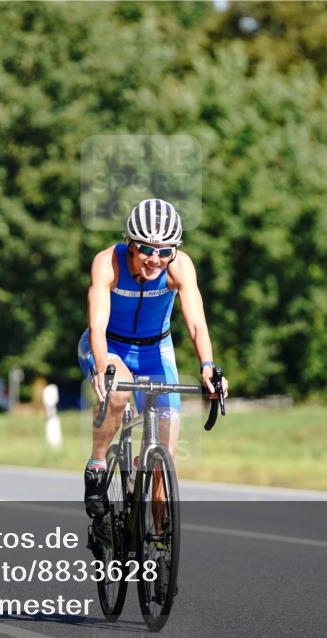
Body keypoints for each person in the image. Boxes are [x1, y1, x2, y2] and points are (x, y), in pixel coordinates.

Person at [79, 198, 227, 518]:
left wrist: (208, 367)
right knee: (118, 394)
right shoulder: (108, 263)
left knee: (167, 447)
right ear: (130, 244)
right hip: (109, 345)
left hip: (155, 350)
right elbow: (97, 324)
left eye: (164, 250)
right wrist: (103, 366)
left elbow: (196, 322)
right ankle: (97, 464)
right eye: (147, 248)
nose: (155, 259)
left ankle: (158, 539)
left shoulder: (180, 266)